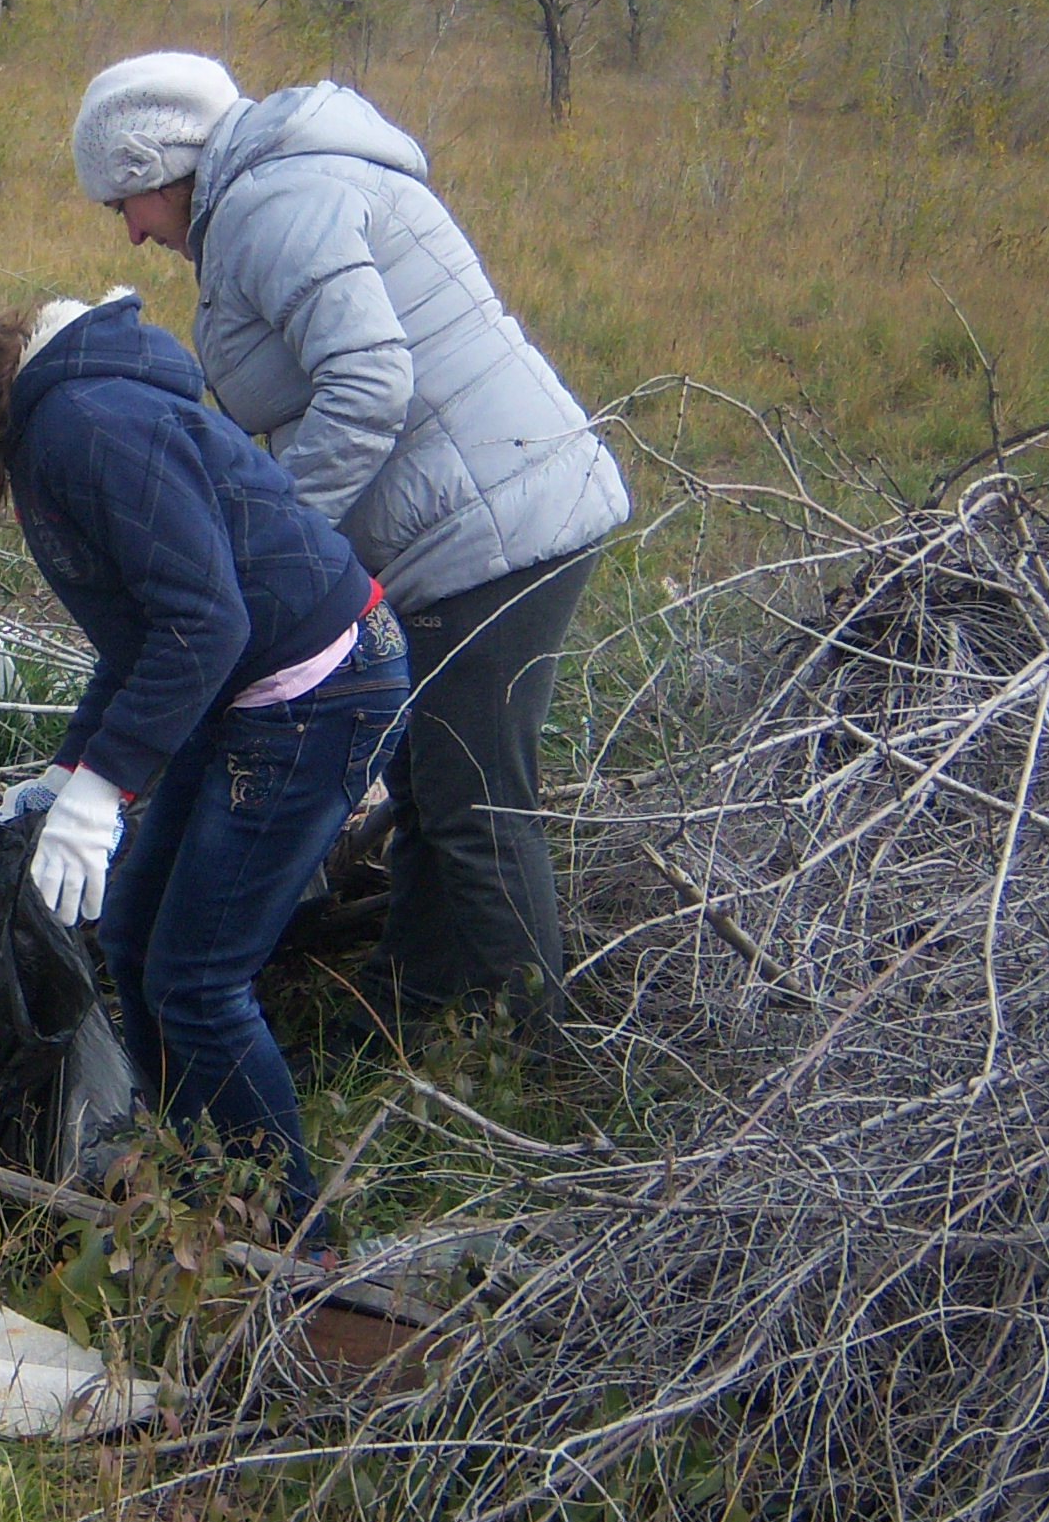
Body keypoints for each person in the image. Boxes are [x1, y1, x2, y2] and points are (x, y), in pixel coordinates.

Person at [0, 220, 410, 1234]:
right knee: (132, 939)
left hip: (316, 692)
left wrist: (105, 787)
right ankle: (191, 1189)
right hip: (241, 690)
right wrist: (68, 772)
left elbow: (204, 623)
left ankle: (294, 1245)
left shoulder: (86, 425)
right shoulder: (51, 430)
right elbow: (143, 636)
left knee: (198, 979)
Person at [70, 52, 630, 1037]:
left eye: (129, 201)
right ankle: (416, 1016)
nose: (133, 230)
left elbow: (372, 385)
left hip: (494, 531)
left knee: (475, 807)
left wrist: (282, 547)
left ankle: (546, 1069)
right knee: (430, 784)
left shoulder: (271, 208)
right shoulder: (279, 191)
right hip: (482, 512)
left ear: (166, 170)